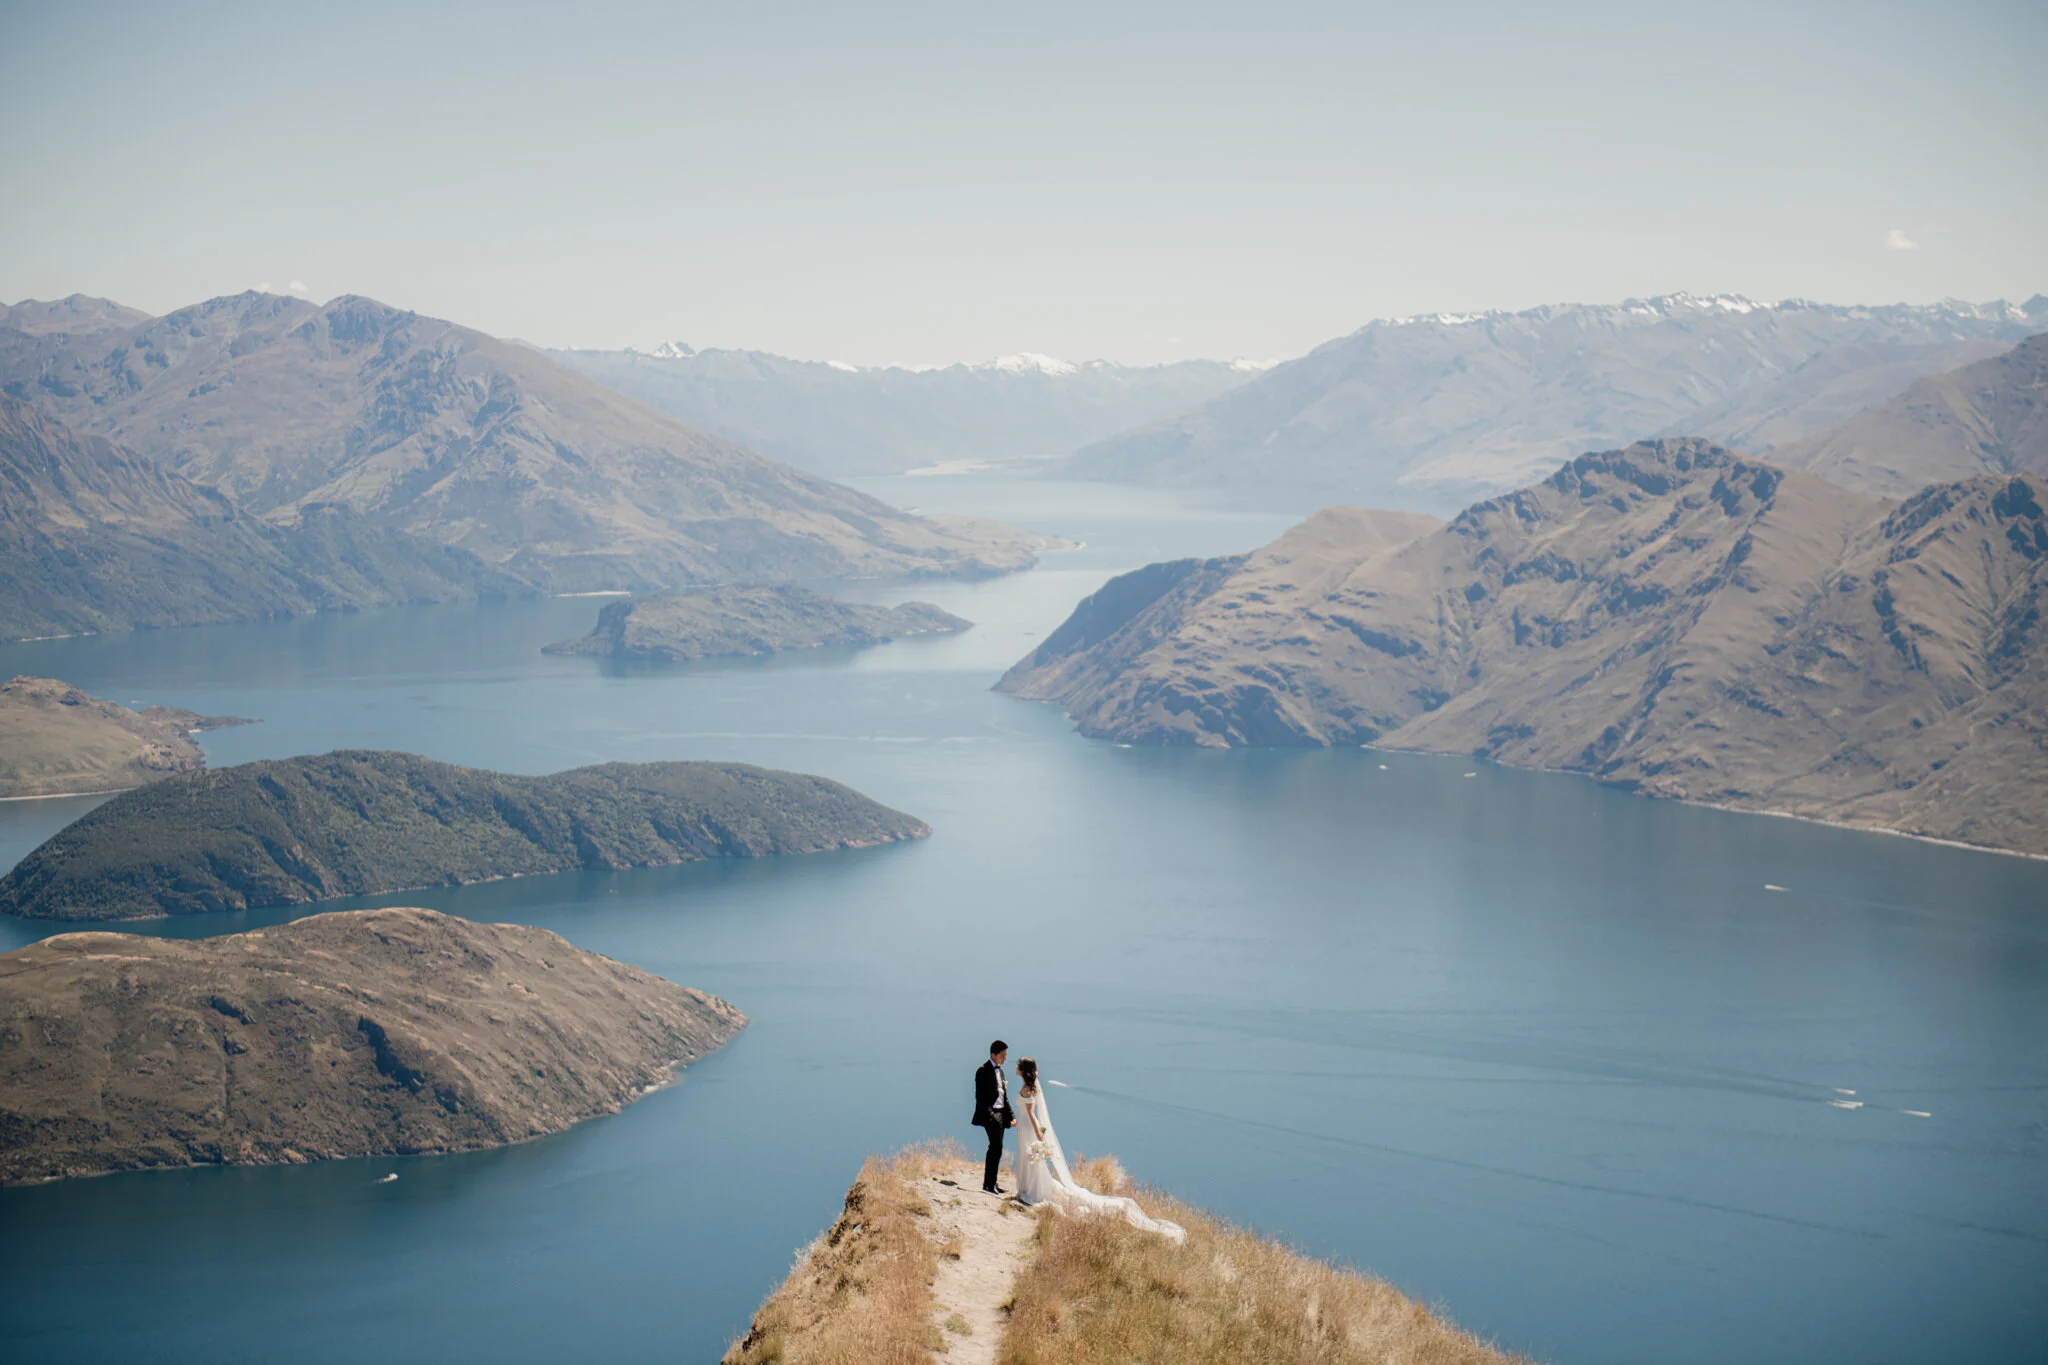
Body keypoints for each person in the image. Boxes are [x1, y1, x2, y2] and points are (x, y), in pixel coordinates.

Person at [1011, 1056, 1184, 1241]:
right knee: (1028, 1159)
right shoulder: (1028, 1088)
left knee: (1031, 1160)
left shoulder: (1029, 1089)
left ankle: (1033, 1190)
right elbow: (1026, 1112)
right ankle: (1028, 1187)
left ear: (1023, 1070)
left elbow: (1031, 1114)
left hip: (1029, 1129)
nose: (1016, 1067)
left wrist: (1038, 1132)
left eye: (1018, 1066)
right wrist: (1016, 1121)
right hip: (1023, 1127)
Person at [971, 1040, 1015, 1194]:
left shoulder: (1001, 1072)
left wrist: (1011, 1116)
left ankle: (992, 1183)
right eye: (1002, 1055)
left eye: (1005, 1055)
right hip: (991, 1115)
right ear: (993, 1054)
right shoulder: (982, 1071)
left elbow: (1004, 1096)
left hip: (1001, 1114)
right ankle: (988, 1185)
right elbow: (980, 1097)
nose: (1004, 1058)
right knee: (995, 1147)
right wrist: (991, 1116)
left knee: (997, 1149)